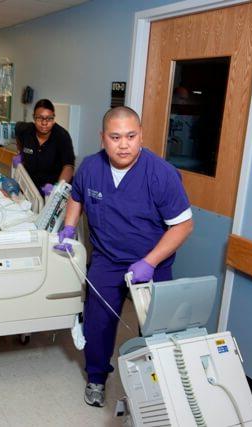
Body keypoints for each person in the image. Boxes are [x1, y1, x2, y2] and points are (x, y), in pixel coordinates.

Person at [57, 106, 194, 407]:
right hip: (107, 260)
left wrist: (150, 262)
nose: (124, 144)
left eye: (131, 136)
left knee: (156, 330)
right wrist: (68, 228)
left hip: (151, 262)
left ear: (141, 136)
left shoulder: (161, 174)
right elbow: (76, 196)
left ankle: (160, 391)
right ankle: (96, 378)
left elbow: (183, 225)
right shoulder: (91, 168)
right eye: (115, 136)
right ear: (102, 137)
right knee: (98, 323)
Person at [13, 99, 75, 195]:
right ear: (34, 117)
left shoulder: (62, 136)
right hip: (31, 188)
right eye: (40, 118)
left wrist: (58, 188)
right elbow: (17, 130)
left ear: (53, 118)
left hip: (52, 188)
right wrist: (20, 152)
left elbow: (69, 166)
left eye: (49, 118)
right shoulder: (26, 130)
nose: (44, 123)